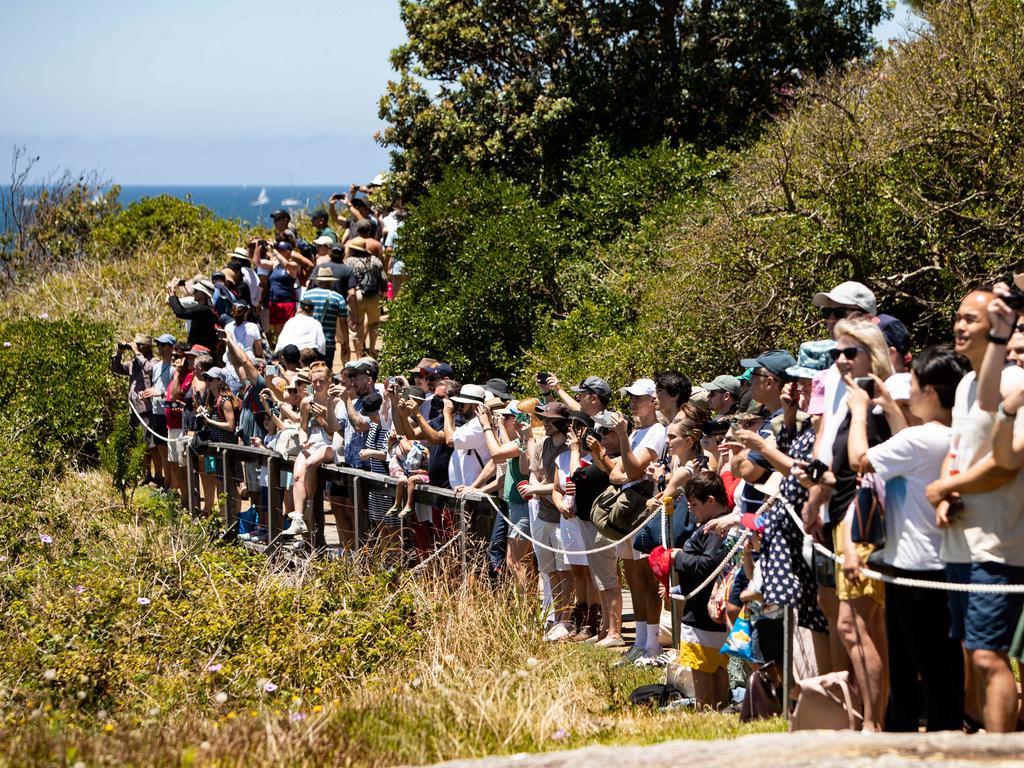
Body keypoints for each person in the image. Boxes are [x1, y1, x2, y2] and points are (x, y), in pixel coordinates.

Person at [846, 346, 969, 732]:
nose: (910, 393)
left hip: (913, 569)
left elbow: (859, 460)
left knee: (914, 669)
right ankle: (940, 736)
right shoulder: (950, 435)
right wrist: (892, 408)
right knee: (941, 666)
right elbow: (906, 451)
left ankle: (925, 741)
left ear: (930, 392)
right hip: (942, 563)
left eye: (913, 385)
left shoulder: (920, 441)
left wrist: (859, 411)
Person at [929, 286, 1024, 733]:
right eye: (959, 317)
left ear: (998, 326)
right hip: (960, 541)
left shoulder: (1013, 382)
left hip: (998, 542)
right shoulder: (967, 382)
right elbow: (962, 449)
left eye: (971, 319)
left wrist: (947, 485)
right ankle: (981, 742)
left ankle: (1004, 753)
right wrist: (948, 493)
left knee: (990, 654)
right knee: (971, 650)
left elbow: (1003, 466)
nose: (960, 326)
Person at [607, 378, 666, 662]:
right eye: (630, 396)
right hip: (630, 510)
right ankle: (640, 641)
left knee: (645, 578)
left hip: (645, 510)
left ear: (653, 400)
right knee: (632, 576)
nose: (632, 401)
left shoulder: (656, 431)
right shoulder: (636, 433)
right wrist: (629, 468)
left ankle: (652, 644)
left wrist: (622, 440)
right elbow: (617, 473)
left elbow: (629, 468)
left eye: (638, 397)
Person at [669, 470, 732, 708]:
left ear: (711, 501)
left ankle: (706, 708)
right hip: (706, 607)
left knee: (701, 664)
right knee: (714, 664)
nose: (692, 510)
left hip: (701, 614)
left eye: (694, 504)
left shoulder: (714, 530)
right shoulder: (712, 524)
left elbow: (709, 564)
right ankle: (718, 709)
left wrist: (678, 558)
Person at [284, 361, 340, 538]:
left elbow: (334, 431)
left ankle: (309, 504)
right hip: (313, 440)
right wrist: (303, 439)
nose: (317, 385)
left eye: (321, 381)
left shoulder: (335, 401)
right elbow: (302, 426)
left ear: (329, 381)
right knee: (298, 474)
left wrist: (321, 417)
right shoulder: (307, 402)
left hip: (331, 442)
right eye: (314, 382)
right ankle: (298, 518)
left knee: (310, 463)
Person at [344, 237, 385, 357]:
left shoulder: (349, 261)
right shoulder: (375, 260)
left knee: (357, 326)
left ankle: (358, 354)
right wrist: (383, 294)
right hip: (373, 295)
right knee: (374, 324)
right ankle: (372, 348)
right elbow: (383, 279)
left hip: (357, 295)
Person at [302, 267, 349, 371]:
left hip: (309, 340)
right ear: (331, 282)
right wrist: (346, 342)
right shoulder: (338, 297)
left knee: (309, 371)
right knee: (325, 371)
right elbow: (343, 323)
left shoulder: (306, 295)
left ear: (318, 281)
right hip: (327, 342)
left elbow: (300, 315)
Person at [166, 276, 220, 355]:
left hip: (201, 352)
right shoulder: (205, 309)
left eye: (196, 290)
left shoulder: (204, 310)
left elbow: (180, 312)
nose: (193, 292)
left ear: (203, 293)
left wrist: (172, 294)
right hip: (200, 350)